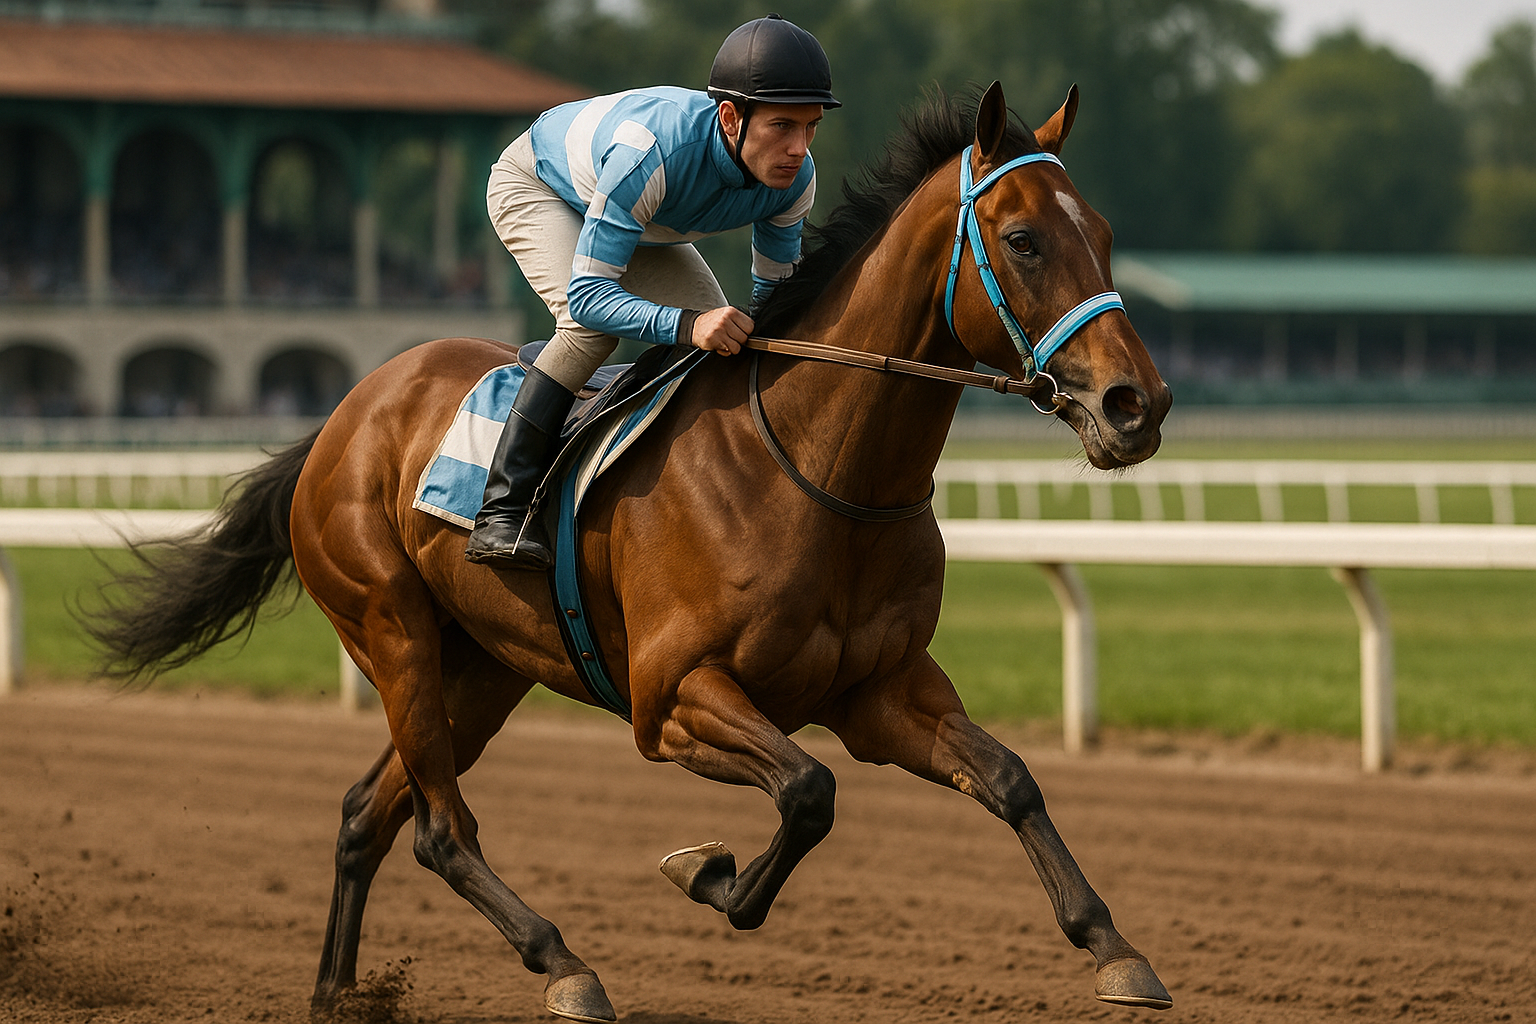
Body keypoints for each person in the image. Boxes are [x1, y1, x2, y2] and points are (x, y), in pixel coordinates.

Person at [467, 13, 839, 571]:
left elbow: (775, 301)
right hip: (541, 187)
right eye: (782, 126)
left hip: (640, 219)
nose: (798, 148)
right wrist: (688, 323)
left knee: (726, 340)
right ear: (732, 117)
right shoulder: (652, 152)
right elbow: (592, 295)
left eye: (810, 127)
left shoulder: (795, 183)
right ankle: (502, 511)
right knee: (588, 331)